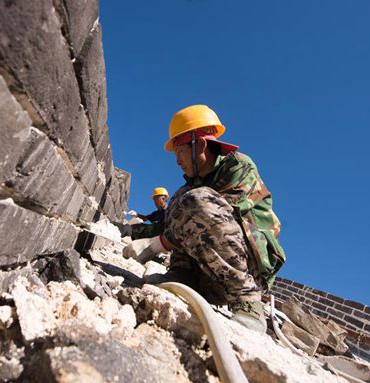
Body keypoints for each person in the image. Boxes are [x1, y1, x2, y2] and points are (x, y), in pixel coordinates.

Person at [122, 104, 286, 332]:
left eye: (179, 151)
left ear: (199, 144)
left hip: (249, 269)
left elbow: (215, 217)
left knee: (194, 202)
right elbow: (173, 223)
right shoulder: (193, 186)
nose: (177, 160)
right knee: (182, 200)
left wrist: (155, 246)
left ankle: (247, 301)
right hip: (211, 274)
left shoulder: (239, 167)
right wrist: (134, 233)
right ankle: (184, 277)